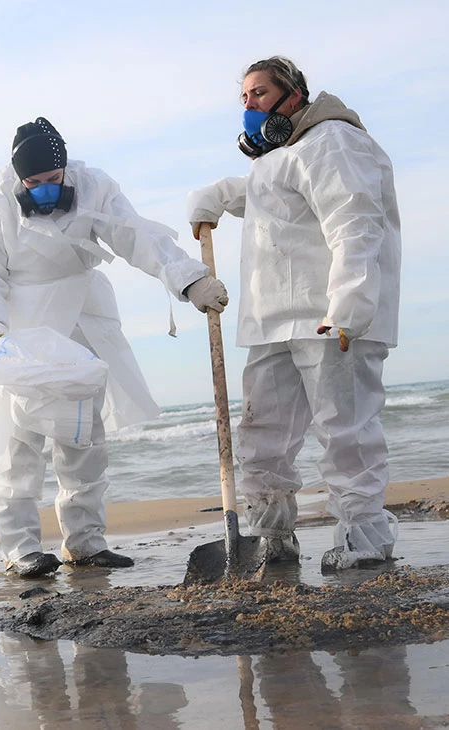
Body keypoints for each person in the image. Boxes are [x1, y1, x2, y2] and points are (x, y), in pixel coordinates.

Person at [0, 117, 228, 577]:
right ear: (18, 176)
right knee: (18, 441)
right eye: (34, 182)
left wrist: (190, 280)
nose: (44, 189)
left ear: (65, 169)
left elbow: (138, 237)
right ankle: (20, 548)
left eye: (52, 180)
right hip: (17, 328)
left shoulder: (94, 187)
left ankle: (84, 543)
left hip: (82, 317)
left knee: (83, 434)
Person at [187, 56, 401, 572]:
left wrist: (349, 303)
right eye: (243, 97)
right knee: (263, 435)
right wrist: (216, 196)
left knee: (344, 430)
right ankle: (272, 535)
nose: (249, 106)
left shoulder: (333, 141)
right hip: (273, 319)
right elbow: (271, 197)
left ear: (294, 96)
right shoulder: (282, 156)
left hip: (328, 317)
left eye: (259, 93)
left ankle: (364, 536)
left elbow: (355, 221)